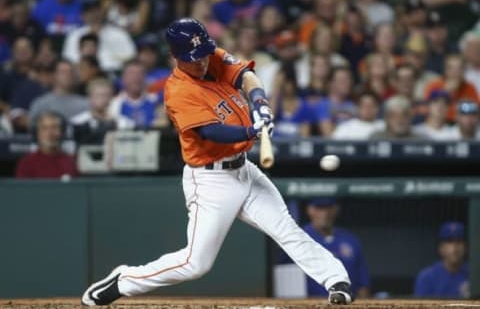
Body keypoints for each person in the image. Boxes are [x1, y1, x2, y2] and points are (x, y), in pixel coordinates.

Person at [82, 18, 353, 306]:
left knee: (286, 229)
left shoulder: (211, 56)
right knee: (195, 263)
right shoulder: (178, 91)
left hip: (244, 169)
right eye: (192, 58)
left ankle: (335, 279)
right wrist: (253, 130)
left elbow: (247, 77)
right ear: (175, 56)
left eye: (202, 55)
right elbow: (210, 131)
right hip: (211, 180)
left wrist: (259, 102)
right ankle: (125, 280)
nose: (200, 62)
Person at [303, 198, 370, 298]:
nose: (324, 214)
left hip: (346, 303)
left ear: (336, 210)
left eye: (328, 208)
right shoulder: (300, 238)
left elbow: (363, 283)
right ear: (310, 210)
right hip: (307, 303)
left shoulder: (350, 239)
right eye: (319, 208)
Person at [62, 0, 136, 72]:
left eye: (97, 10)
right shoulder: (74, 36)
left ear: (102, 13)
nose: (94, 14)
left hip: (112, 74)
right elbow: (69, 61)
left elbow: (131, 59)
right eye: (89, 11)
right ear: (82, 16)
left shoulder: (119, 34)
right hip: (82, 74)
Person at [414, 221, 469, 298]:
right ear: (440, 248)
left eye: (459, 241)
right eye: (449, 242)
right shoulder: (427, 277)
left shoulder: (473, 275)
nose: (454, 247)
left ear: (465, 247)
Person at [15, 111, 77, 179]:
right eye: (44, 128)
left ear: (63, 132)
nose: (50, 133)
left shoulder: (72, 162)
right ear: (36, 133)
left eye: (55, 127)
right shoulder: (26, 163)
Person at [71, 78, 134, 144]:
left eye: (106, 95)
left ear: (111, 98)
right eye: (98, 95)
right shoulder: (77, 122)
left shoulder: (124, 123)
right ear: (89, 98)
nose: (102, 99)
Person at [108, 60, 167, 128]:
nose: (136, 77)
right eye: (131, 73)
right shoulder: (114, 104)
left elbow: (162, 125)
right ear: (123, 78)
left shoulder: (156, 101)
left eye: (140, 73)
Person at [424, 54, 480, 122]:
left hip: (462, 125)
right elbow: (427, 109)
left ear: (464, 71)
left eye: (459, 68)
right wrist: (445, 92)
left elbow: (476, 110)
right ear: (445, 70)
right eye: (451, 68)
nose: (455, 72)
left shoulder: (469, 87)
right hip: (440, 123)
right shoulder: (434, 85)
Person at [315, 67, 356, 137]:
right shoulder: (323, 105)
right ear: (331, 84)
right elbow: (328, 134)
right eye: (342, 80)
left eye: (348, 79)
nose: (347, 83)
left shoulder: (354, 105)